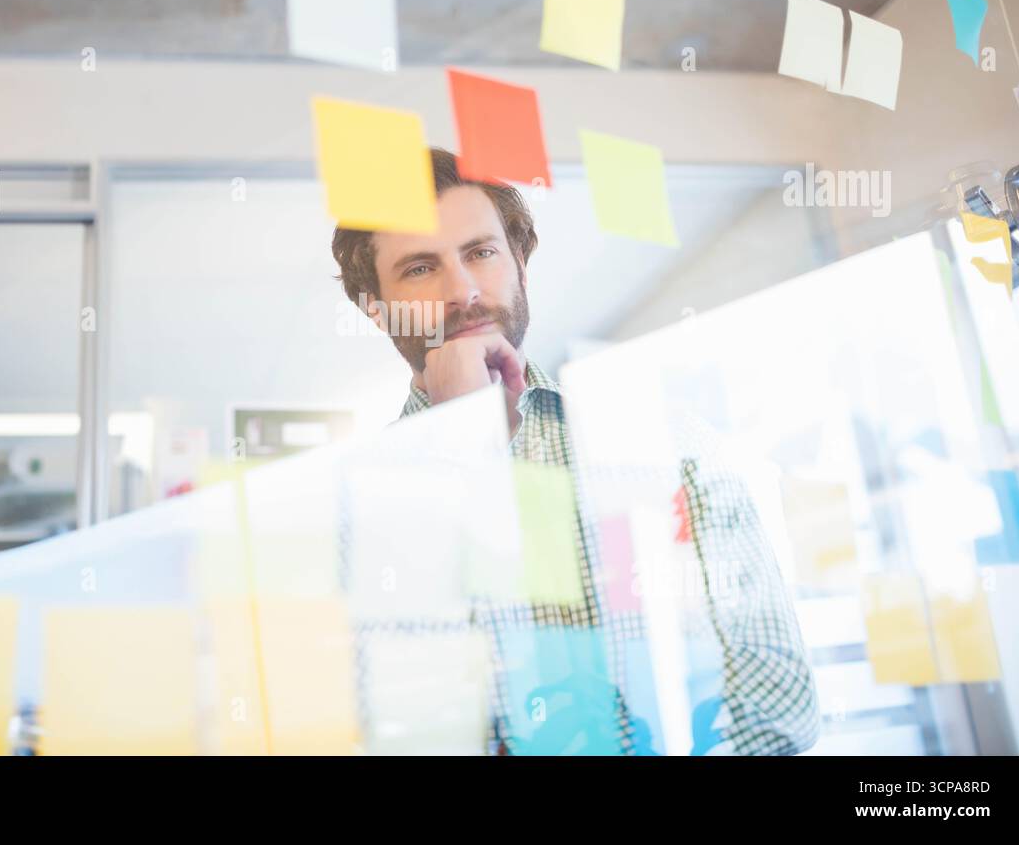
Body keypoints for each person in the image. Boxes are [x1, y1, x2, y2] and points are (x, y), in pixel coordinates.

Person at [331, 147, 820, 755]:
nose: (463, 291)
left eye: (481, 253)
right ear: (376, 310)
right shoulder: (348, 511)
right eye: (420, 269)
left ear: (521, 267)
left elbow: (778, 707)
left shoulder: (671, 446)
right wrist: (459, 443)